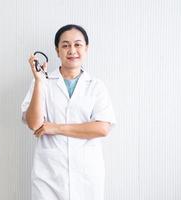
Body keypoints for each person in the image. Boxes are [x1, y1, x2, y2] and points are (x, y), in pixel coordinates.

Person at [21, 24, 116, 200]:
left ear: (86, 49)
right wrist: (39, 81)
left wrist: (55, 128)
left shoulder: (96, 86)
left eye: (78, 45)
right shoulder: (42, 83)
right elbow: (34, 123)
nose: (72, 50)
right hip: (48, 174)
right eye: (65, 45)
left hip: (87, 175)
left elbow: (102, 128)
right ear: (57, 51)